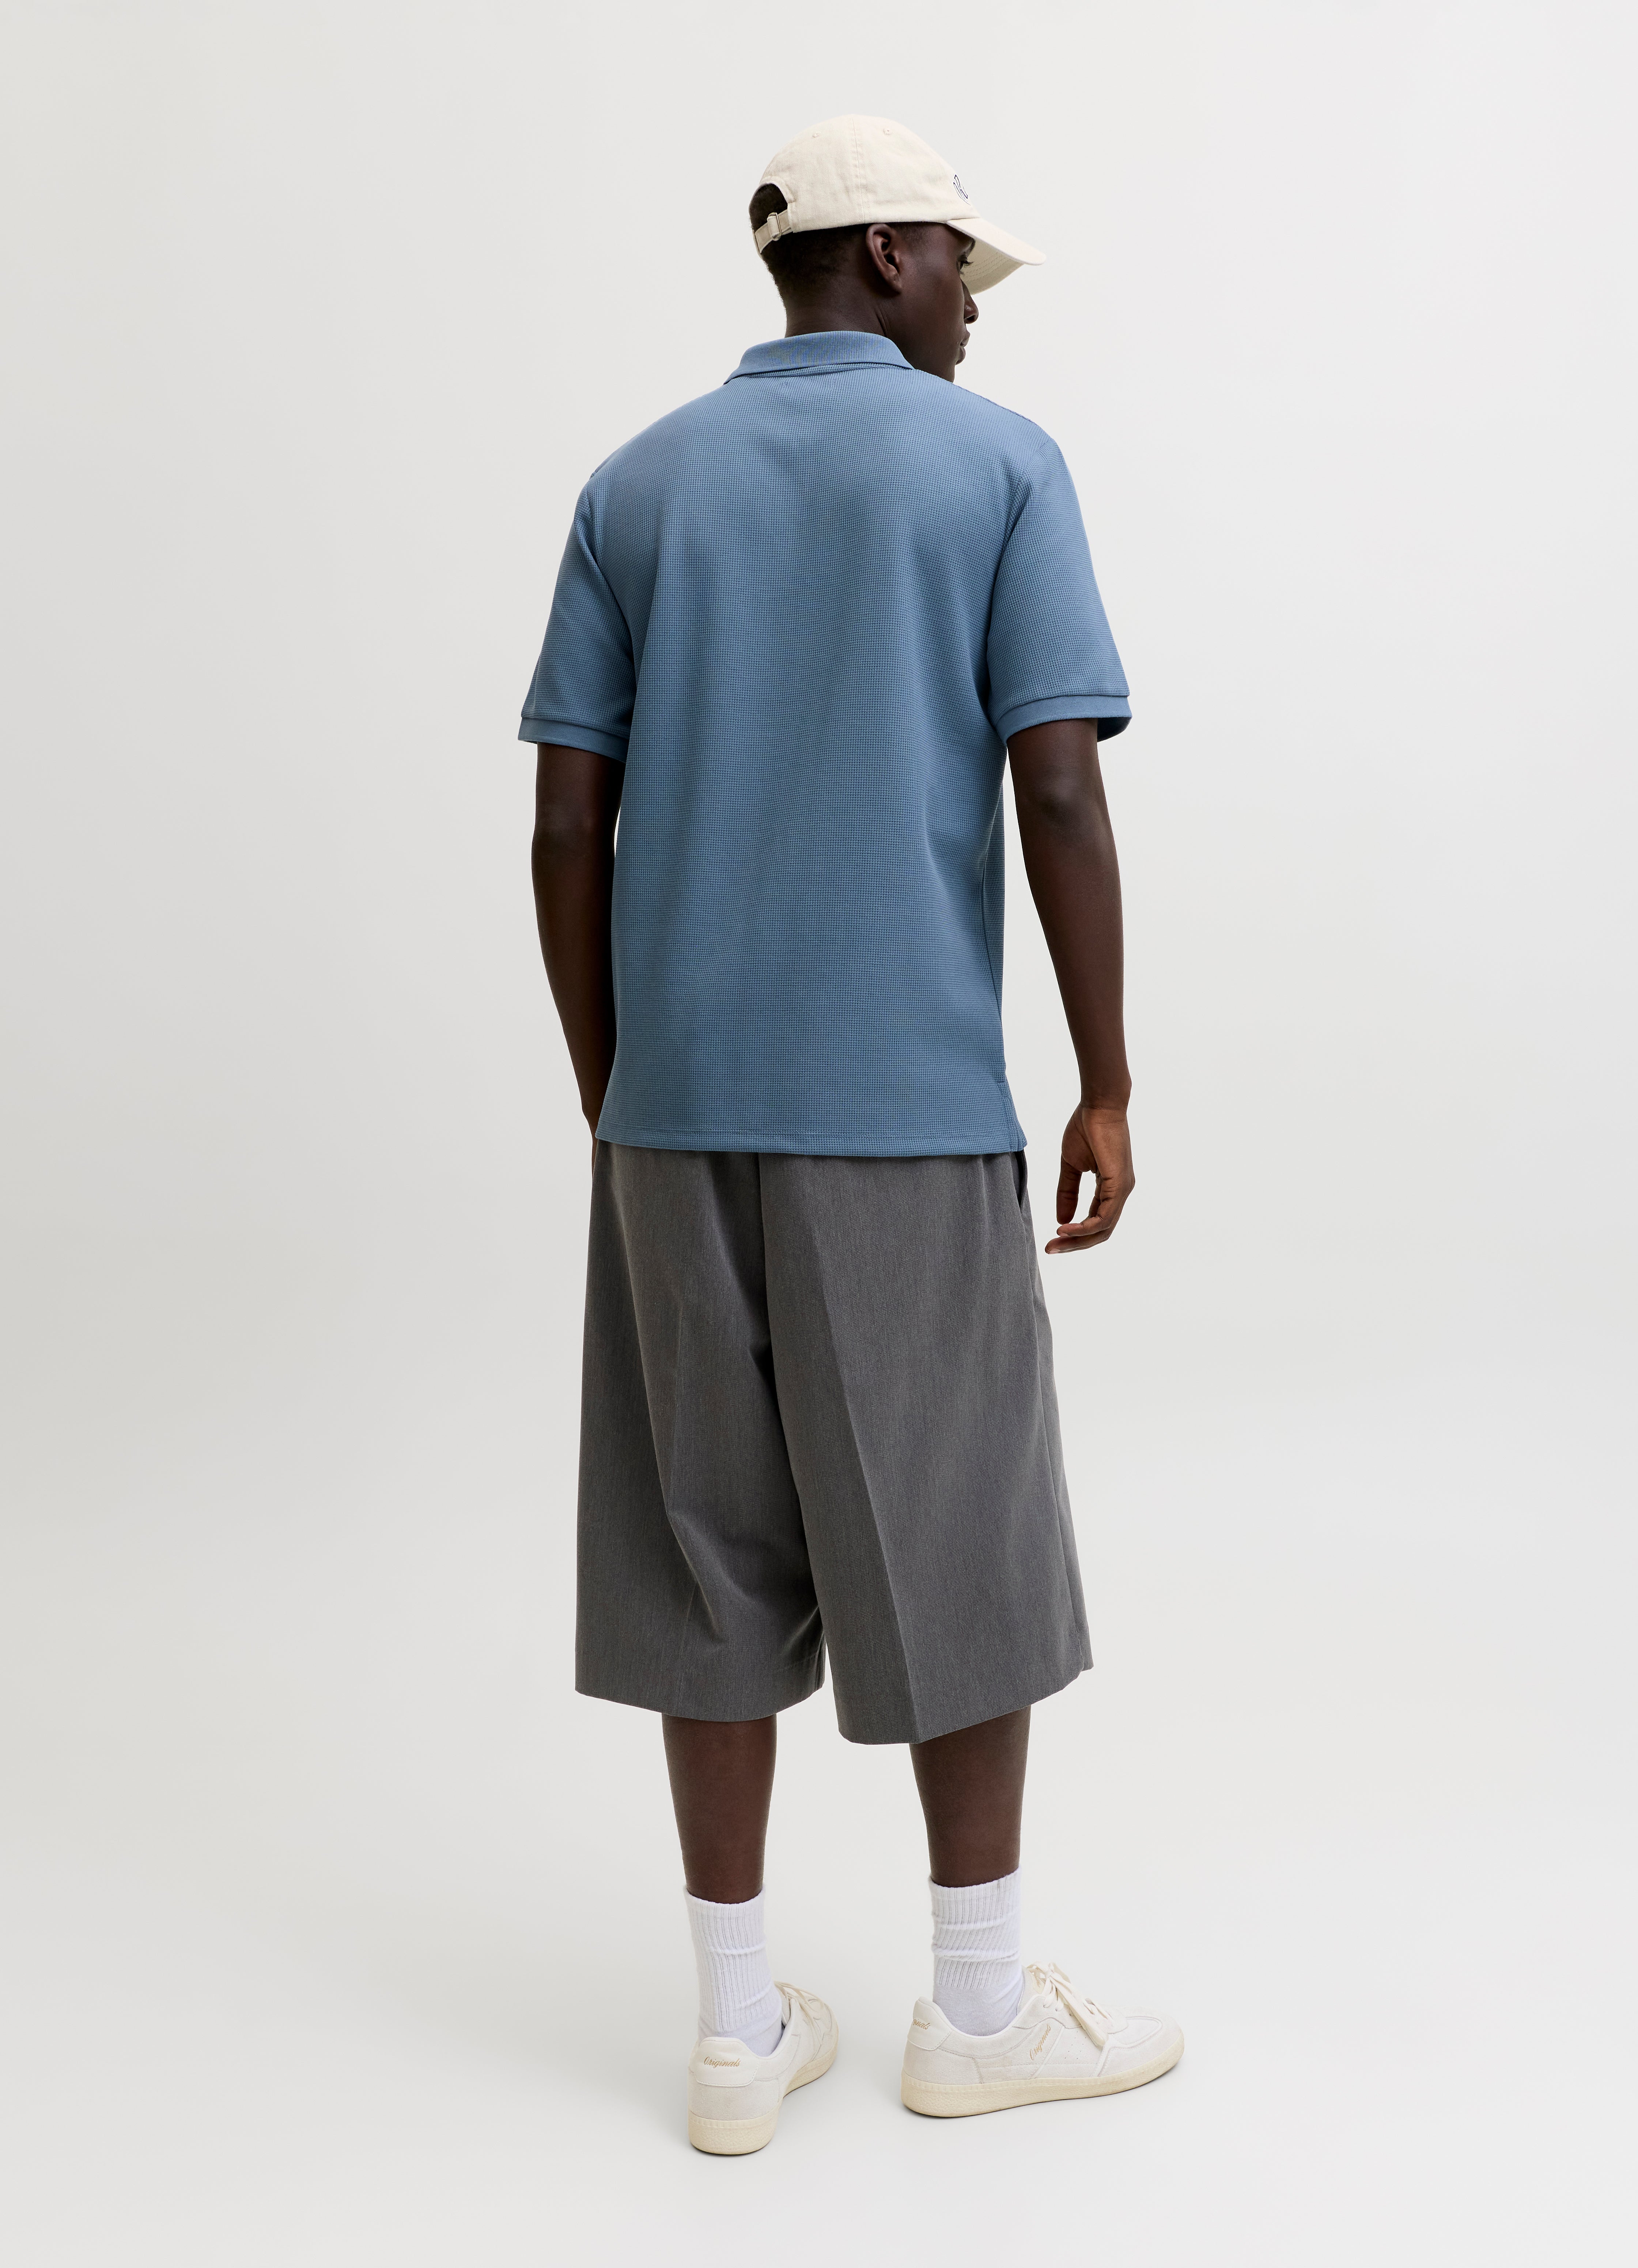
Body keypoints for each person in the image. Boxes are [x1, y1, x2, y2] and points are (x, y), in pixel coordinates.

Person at [521, 113, 1182, 2154]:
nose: (976, 309)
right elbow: (1056, 790)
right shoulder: (997, 468)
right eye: (963, 266)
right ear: (886, 252)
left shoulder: (639, 483)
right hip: (900, 1106)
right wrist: (1105, 1075)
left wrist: (617, 1086)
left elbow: (565, 823)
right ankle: (975, 2012)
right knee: (956, 1539)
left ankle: (737, 2036)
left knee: (697, 1550)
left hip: (677, 1119)